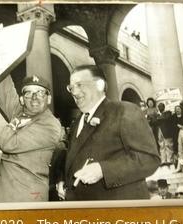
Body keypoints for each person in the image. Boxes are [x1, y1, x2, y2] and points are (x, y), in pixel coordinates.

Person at [61, 65, 160, 200]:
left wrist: (103, 170)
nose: (74, 92)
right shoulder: (77, 123)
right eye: (71, 87)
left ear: (100, 85)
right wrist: (63, 181)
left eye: (79, 85)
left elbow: (149, 159)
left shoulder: (125, 111)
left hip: (117, 210)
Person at [0, 74, 62, 202]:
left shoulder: (51, 126)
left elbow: (10, 142)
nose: (34, 98)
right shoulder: (20, 112)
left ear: (49, 98)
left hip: (24, 196)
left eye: (40, 92)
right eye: (28, 93)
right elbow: (6, 91)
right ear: (22, 100)